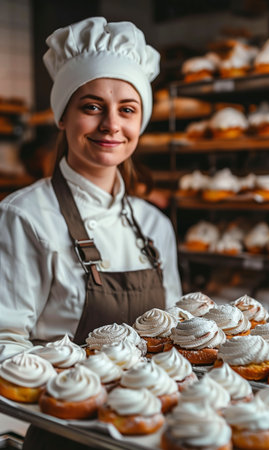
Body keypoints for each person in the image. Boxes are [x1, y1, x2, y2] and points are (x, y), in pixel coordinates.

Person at [0, 17, 182, 449]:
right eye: (92, 106)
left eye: (127, 109)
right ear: (63, 116)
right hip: (64, 433)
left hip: (148, 432)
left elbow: (172, 336)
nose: (111, 125)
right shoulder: (25, 216)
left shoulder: (155, 225)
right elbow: (4, 344)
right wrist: (77, 398)